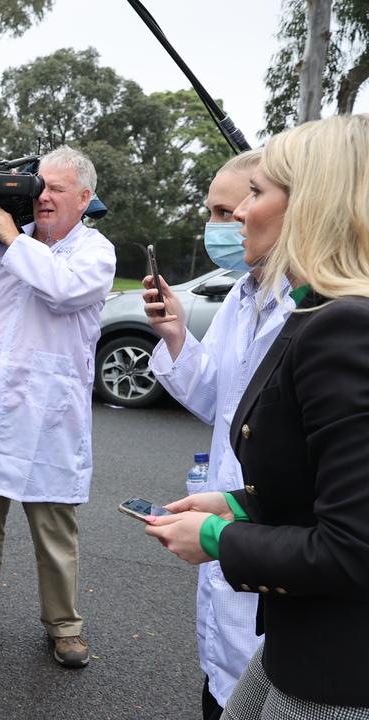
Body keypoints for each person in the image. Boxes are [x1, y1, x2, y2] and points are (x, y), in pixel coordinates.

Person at [145, 113, 369, 719]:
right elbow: (329, 486)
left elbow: (352, 547)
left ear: (312, 205)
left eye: (255, 194)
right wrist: (242, 505)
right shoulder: (314, 311)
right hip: (291, 647)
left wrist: (221, 535)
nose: (240, 215)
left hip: (331, 670)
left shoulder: (342, 326)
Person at [0, 146, 116, 668]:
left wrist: (13, 240)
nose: (43, 197)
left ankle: (64, 625)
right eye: (40, 187)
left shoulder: (94, 252)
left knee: (54, 528)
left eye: (56, 189)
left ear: (84, 198)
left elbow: (63, 290)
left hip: (48, 415)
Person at [144, 149, 279, 719]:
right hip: (229, 524)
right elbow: (216, 402)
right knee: (221, 686)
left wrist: (227, 529)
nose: (227, 223)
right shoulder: (241, 297)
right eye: (217, 211)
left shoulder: (319, 313)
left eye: (234, 207)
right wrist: (175, 334)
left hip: (278, 563)